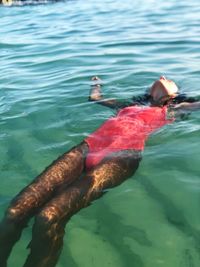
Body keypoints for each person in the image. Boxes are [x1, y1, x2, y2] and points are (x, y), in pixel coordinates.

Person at [0, 76, 199, 267]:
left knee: (48, 216)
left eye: (169, 80)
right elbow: (95, 98)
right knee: (15, 210)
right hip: (87, 147)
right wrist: (96, 84)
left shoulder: (174, 109)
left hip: (122, 158)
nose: (163, 76)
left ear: (174, 94)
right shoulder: (127, 106)